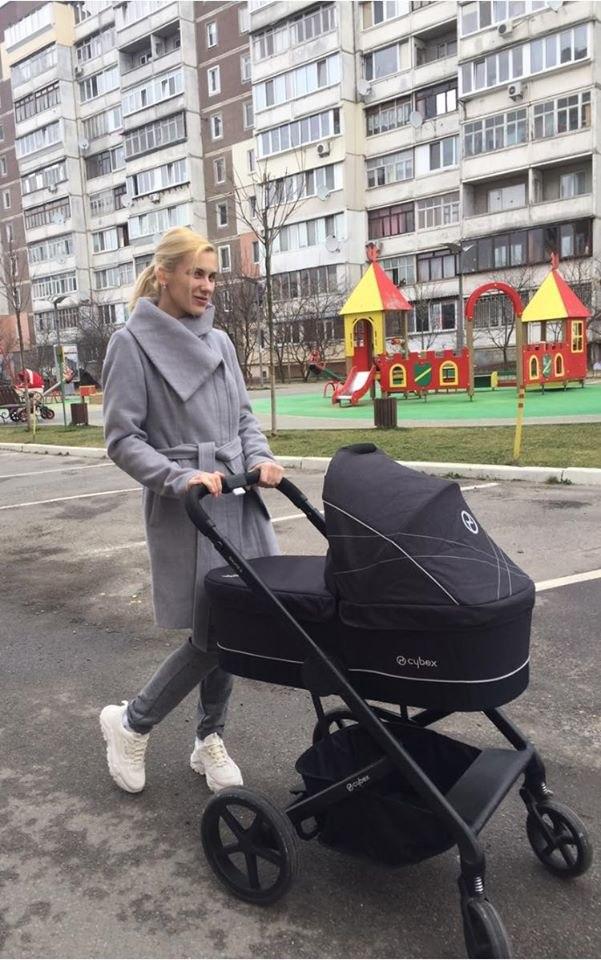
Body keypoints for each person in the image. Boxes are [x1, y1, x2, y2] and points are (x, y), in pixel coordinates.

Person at [99, 227, 283, 795]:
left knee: (236, 621)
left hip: (236, 492)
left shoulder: (221, 341)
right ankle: (133, 723)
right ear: (164, 275)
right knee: (214, 630)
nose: (207, 286)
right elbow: (122, 439)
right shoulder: (130, 344)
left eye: (212, 275)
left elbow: (244, 418)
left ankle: (208, 738)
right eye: (196, 274)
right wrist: (180, 479)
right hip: (189, 503)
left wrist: (261, 457)